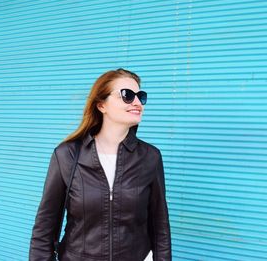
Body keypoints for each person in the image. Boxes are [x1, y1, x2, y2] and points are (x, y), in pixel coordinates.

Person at [29, 68, 171, 261]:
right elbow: (45, 228)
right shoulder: (67, 155)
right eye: (127, 95)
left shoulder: (150, 157)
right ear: (101, 105)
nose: (137, 102)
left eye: (140, 96)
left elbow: (160, 227)